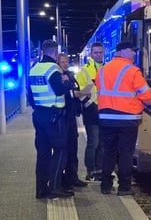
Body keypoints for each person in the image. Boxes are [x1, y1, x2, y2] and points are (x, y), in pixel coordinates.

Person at [96, 42, 151, 196]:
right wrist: (146, 102)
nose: (134, 53)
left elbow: (101, 91)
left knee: (108, 152)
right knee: (126, 153)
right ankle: (124, 187)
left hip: (106, 118)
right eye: (132, 51)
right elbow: (147, 97)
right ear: (124, 51)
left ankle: (105, 186)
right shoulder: (133, 71)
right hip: (127, 119)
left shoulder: (102, 70)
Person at [28, 40, 74, 199]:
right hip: (54, 117)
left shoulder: (34, 69)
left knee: (43, 153)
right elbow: (59, 89)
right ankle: (55, 186)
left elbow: (30, 95)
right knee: (61, 150)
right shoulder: (53, 68)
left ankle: (40, 189)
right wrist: (68, 83)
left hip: (39, 115)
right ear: (55, 53)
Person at [57, 53, 88, 189]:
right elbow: (61, 92)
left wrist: (77, 91)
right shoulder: (56, 76)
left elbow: (75, 87)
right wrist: (71, 92)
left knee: (73, 148)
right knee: (64, 148)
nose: (64, 64)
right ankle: (63, 179)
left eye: (66, 61)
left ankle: (73, 176)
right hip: (62, 117)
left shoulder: (70, 75)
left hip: (71, 116)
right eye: (62, 61)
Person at [76, 42, 104, 181]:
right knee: (94, 141)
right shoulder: (84, 70)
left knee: (102, 142)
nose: (98, 55)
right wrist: (90, 103)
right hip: (91, 110)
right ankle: (90, 170)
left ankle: (99, 169)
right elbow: (80, 92)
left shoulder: (106, 68)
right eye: (96, 52)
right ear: (91, 54)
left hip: (105, 110)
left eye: (100, 52)